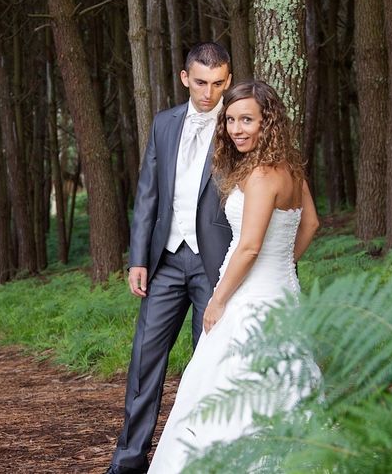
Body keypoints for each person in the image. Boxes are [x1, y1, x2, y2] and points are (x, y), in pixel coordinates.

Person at [148, 80, 320, 473]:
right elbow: (311, 223)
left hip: (247, 299)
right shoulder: (292, 169)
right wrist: (283, 264)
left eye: (247, 119)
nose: (237, 128)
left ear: (267, 122)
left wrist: (219, 299)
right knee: (281, 384)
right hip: (281, 293)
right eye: (230, 120)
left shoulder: (260, 176)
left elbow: (248, 247)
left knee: (228, 388)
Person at [106, 43, 234, 474]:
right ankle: (128, 461)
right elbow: (148, 193)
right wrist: (137, 257)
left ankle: (199, 460)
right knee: (144, 361)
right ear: (185, 78)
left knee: (207, 366)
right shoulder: (164, 124)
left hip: (213, 264)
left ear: (228, 82)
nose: (208, 93)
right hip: (164, 261)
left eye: (217, 84)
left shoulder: (237, 126)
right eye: (200, 82)